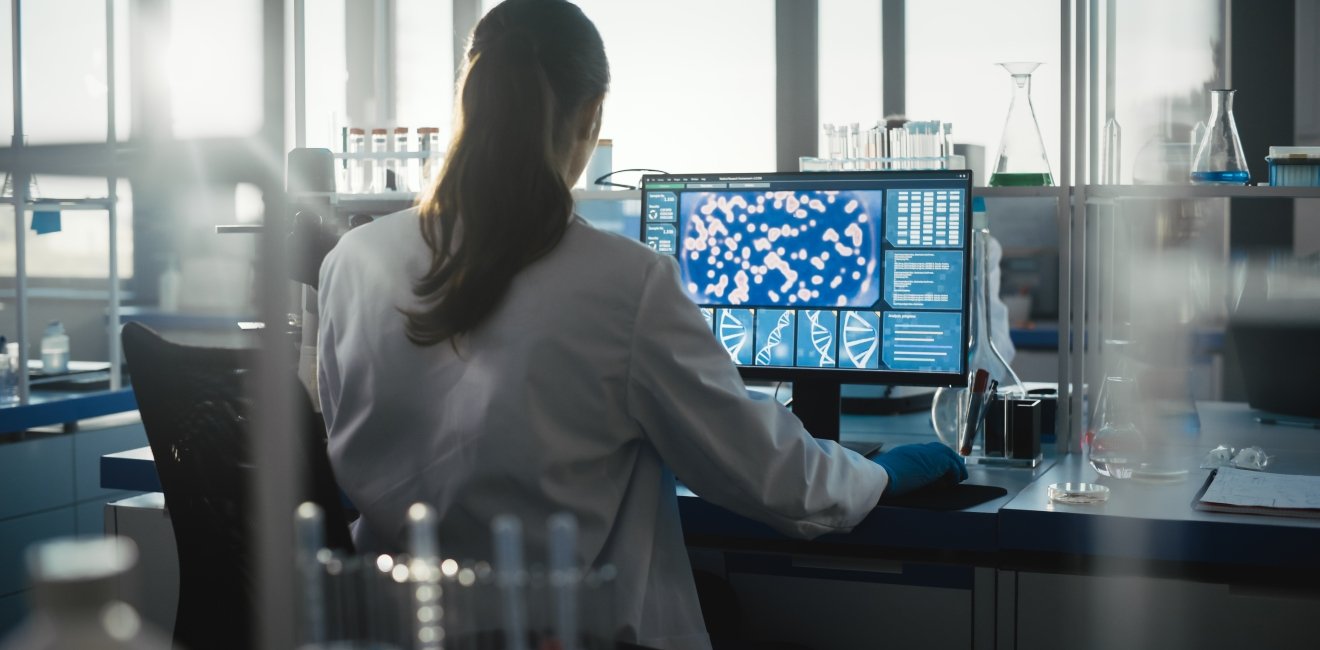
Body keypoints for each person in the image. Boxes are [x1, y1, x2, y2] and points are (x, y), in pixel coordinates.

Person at [317, 1, 967, 648]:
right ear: (591, 115)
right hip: (572, 634)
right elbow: (782, 484)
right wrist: (882, 475)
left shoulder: (354, 260)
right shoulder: (625, 282)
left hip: (396, 629)